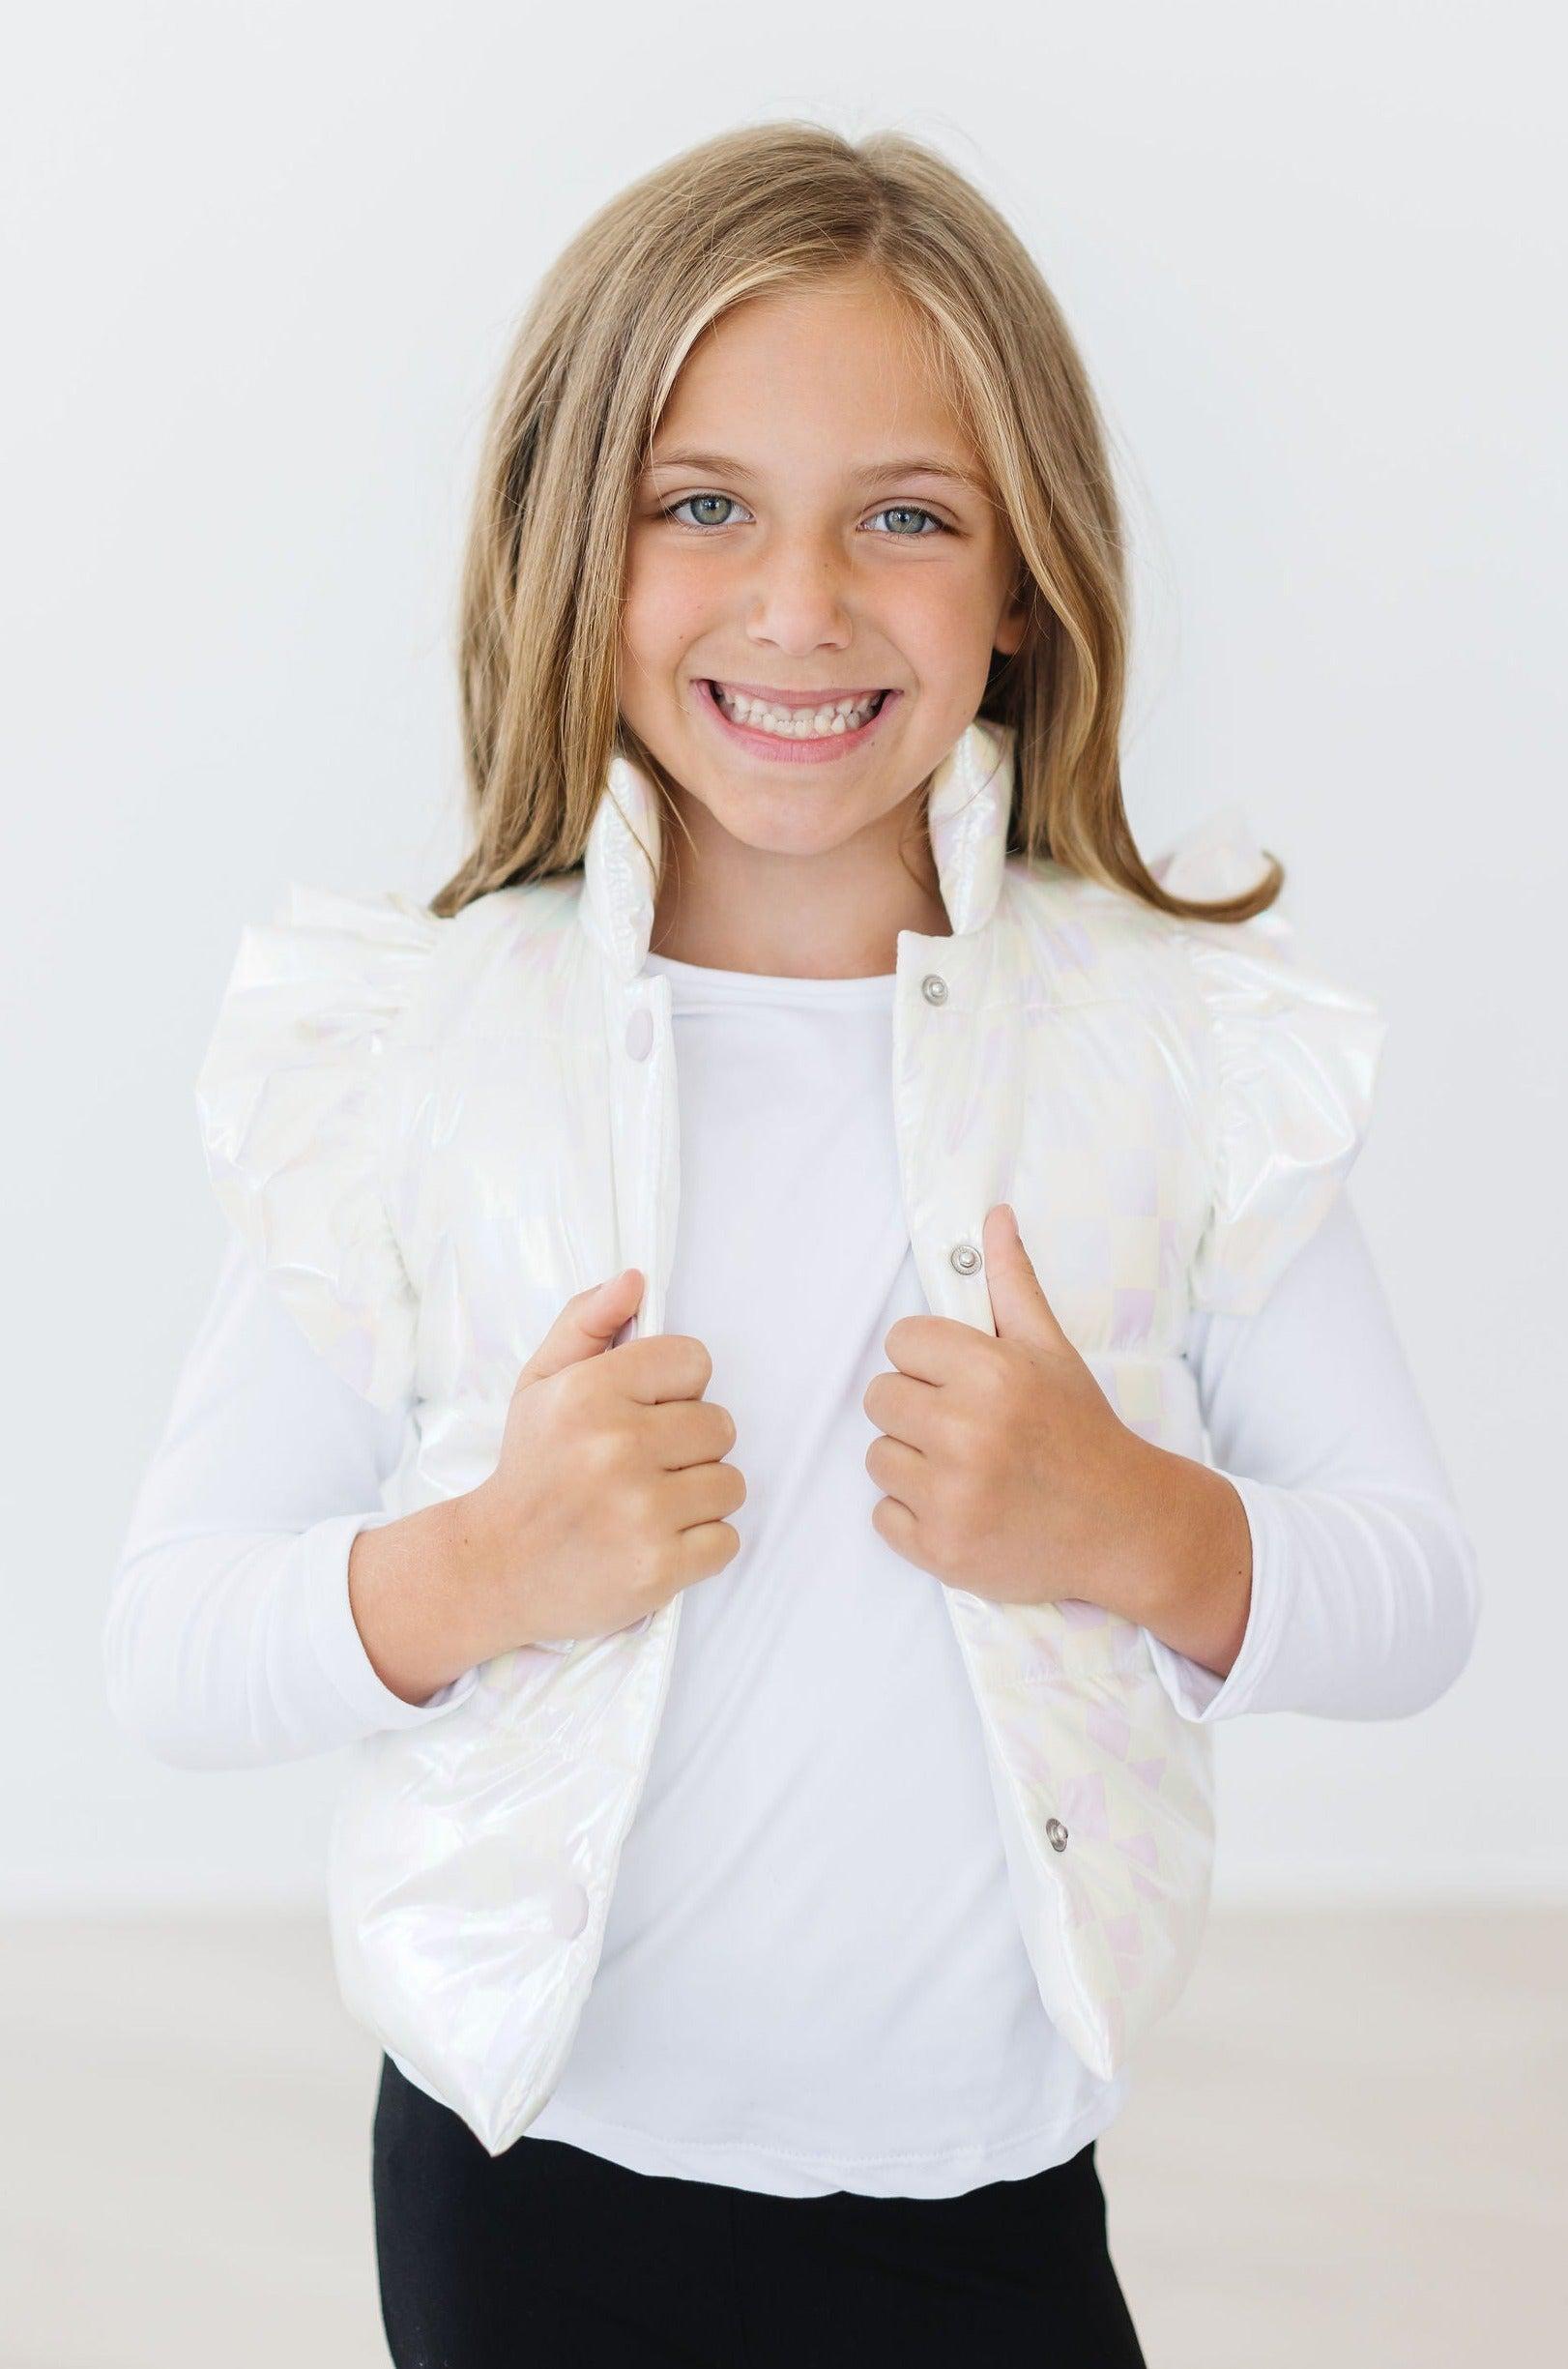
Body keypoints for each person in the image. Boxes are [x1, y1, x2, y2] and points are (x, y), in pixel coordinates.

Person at [103, 121, 1481, 2367]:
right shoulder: (425, 1053)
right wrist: (483, 1564)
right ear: (576, 540)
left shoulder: (1172, 1051)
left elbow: (1410, 1591)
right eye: (703, 503)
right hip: (532, 2181)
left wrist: (1131, 1521)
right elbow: (172, 1640)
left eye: (905, 516)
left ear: (1022, 578)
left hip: (984, 2187)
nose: (802, 602)